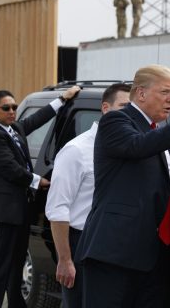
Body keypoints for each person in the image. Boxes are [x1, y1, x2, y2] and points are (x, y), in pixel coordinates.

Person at [75, 65, 170, 307]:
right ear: (141, 93)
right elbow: (138, 146)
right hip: (117, 256)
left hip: (161, 260)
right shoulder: (116, 120)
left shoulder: (160, 136)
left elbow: (169, 198)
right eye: (165, 92)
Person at [0, 84, 82, 308]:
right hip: (5, 213)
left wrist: (62, 99)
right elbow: (10, 168)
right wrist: (39, 181)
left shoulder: (14, 128)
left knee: (17, 263)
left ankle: (16, 303)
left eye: (14, 107)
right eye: (6, 108)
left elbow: (37, 119)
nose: (11, 111)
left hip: (20, 211)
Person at [45, 83, 131, 308]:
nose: (129, 113)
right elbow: (57, 209)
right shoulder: (76, 150)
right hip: (82, 243)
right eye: (124, 106)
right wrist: (65, 259)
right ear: (105, 108)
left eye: (133, 108)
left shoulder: (131, 148)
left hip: (118, 244)